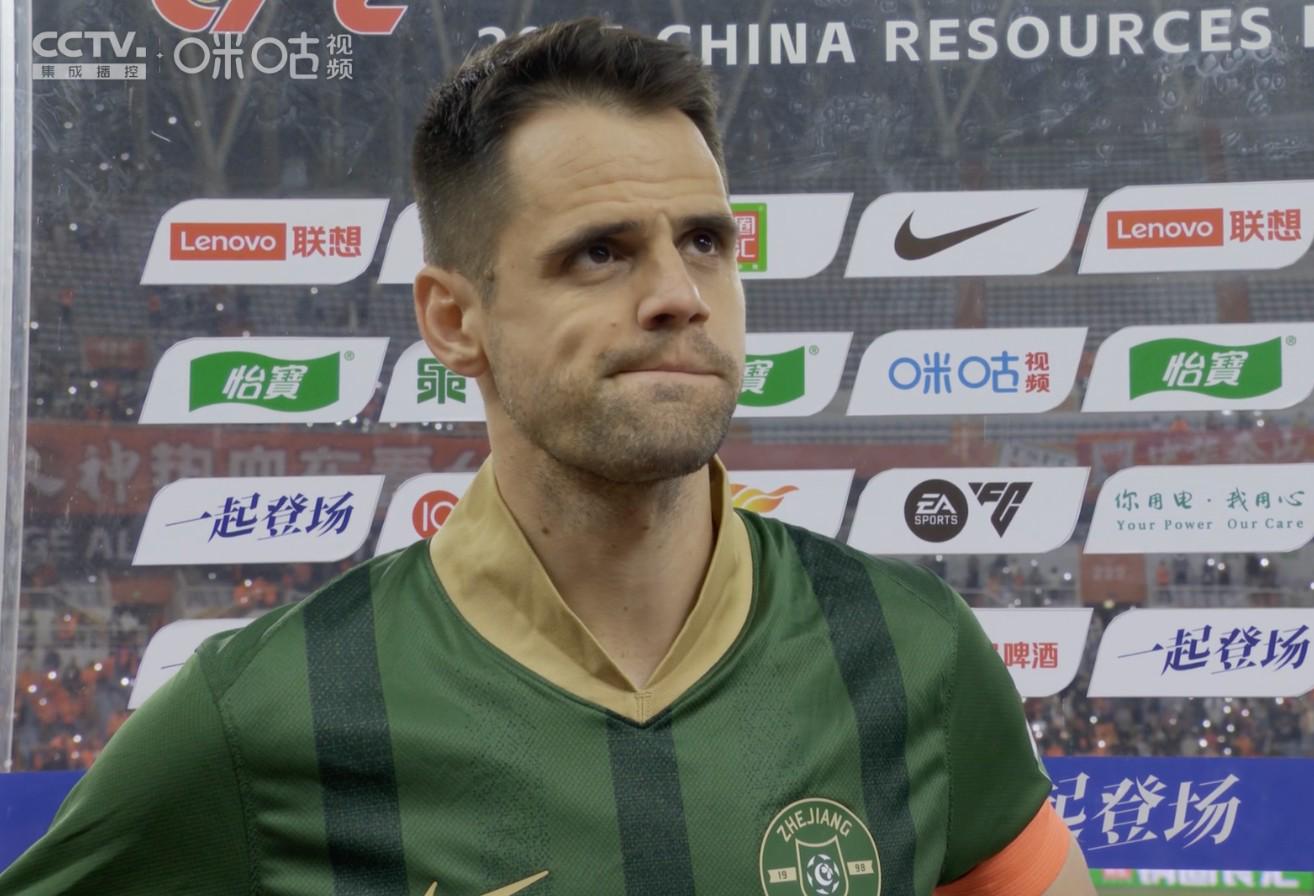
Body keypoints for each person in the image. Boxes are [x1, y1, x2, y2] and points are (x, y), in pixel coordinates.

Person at [1, 19, 1094, 895]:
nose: (679, 294)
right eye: (600, 252)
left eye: (704, 241)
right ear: (454, 319)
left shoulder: (909, 647)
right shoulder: (265, 715)